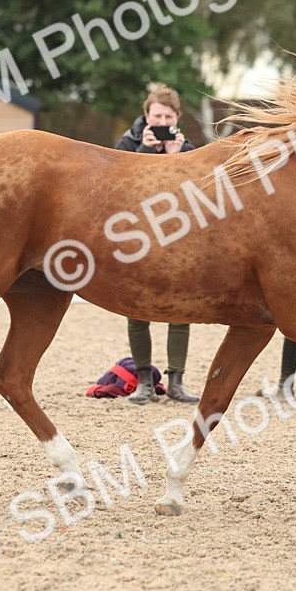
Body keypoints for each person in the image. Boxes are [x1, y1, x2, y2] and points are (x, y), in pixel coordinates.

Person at [115, 84, 198, 404]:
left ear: (176, 117)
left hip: (179, 237)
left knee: (182, 306)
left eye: (167, 116)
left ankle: (176, 380)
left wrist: (178, 158)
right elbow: (120, 187)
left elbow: (199, 195)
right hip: (138, 236)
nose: (161, 121)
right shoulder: (128, 144)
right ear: (146, 116)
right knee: (136, 308)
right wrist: (147, 152)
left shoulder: (188, 149)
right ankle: (144, 381)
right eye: (156, 116)